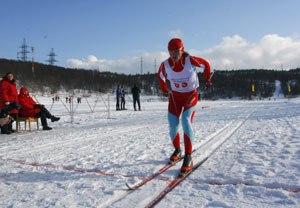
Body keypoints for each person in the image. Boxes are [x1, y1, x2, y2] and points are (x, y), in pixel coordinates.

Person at [158, 38, 211, 175]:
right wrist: (164, 90)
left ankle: (188, 157)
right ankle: (177, 150)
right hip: (175, 97)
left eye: (176, 51)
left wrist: (207, 78)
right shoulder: (165, 64)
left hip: (190, 95)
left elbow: (206, 64)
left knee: (186, 120)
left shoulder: (190, 60)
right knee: (173, 124)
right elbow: (160, 76)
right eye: (171, 52)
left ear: (182, 50)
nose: (173, 55)